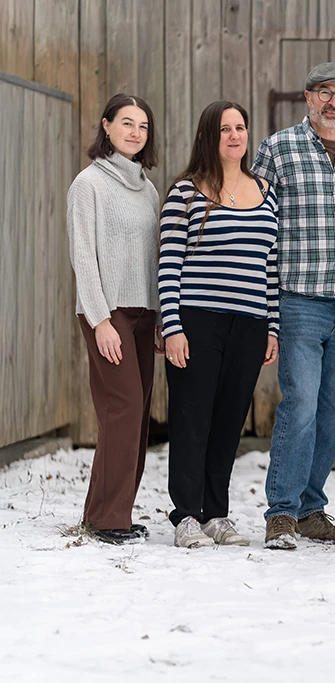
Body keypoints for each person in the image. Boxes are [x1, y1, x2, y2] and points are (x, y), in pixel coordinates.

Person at [252, 62, 335, 550]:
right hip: (299, 301)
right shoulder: (278, 148)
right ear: (307, 99)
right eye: (324, 93)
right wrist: (263, 304)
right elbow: (256, 223)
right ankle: (281, 513)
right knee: (301, 406)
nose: (333, 101)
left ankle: (310, 507)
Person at [159, 101, 279, 549]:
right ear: (209, 136)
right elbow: (169, 263)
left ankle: (217, 514)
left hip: (249, 324)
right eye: (224, 128)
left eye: (241, 127)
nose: (234, 135)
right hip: (197, 321)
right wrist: (172, 326)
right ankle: (186, 515)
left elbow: (269, 267)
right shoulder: (186, 192)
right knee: (193, 418)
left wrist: (272, 326)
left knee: (229, 421)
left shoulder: (265, 191)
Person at [67, 93, 161, 545]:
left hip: (144, 312)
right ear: (106, 126)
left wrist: (160, 316)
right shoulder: (88, 184)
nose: (135, 132)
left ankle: (113, 511)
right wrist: (101, 319)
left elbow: (154, 258)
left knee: (137, 412)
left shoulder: (149, 189)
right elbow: (83, 256)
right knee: (120, 407)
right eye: (126, 123)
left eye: (143, 126)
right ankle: (105, 518)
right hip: (106, 312)